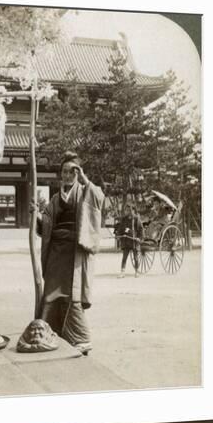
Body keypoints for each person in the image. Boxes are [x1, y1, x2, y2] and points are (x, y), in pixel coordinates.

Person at [32, 151, 104, 357]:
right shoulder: (55, 198)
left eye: (72, 172)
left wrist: (86, 180)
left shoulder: (85, 191)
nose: (67, 176)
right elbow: (45, 225)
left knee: (72, 296)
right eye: (64, 172)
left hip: (74, 251)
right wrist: (35, 216)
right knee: (51, 294)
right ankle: (49, 332)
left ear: (78, 174)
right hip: (56, 251)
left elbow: (99, 199)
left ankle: (81, 338)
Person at [114, 203, 144, 278]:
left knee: (136, 257)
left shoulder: (136, 219)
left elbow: (141, 229)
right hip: (126, 240)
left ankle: (137, 271)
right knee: (124, 257)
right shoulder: (124, 219)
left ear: (133, 210)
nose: (127, 212)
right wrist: (118, 235)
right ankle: (122, 272)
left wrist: (139, 238)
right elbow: (120, 228)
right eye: (126, 210)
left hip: (134, 241)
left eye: (129, 210)